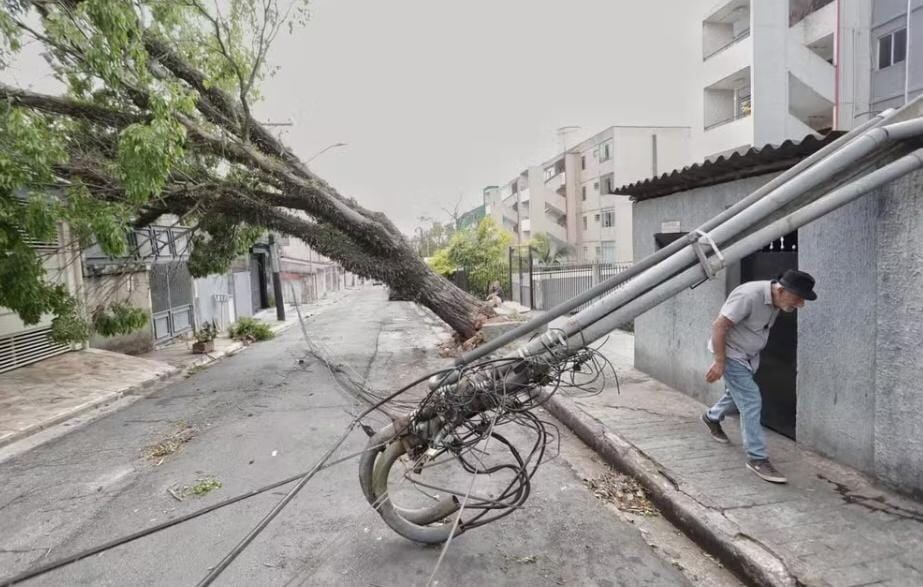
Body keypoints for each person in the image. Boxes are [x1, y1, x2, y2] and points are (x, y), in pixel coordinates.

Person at [701, 269, 817, 484]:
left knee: (739, 396)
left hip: (749, 356)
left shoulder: (776, 300)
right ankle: (757, 458)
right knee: (751, 399)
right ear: (781, 290)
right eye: (798, 298)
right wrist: (719, 362)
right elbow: (719, 326)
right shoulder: (748, 296)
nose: (800, 304)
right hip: (731, 354)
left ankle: (711, 416)